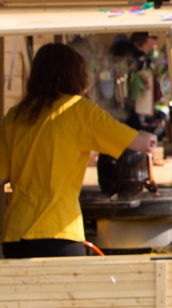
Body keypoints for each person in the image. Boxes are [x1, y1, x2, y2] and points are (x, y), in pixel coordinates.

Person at [0, 43, 157, 258]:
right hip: (59, 235)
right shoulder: (78, 110)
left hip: (15, 237)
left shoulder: (15, 116)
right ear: (75, 75)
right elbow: (137, 142)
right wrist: (150, 138)